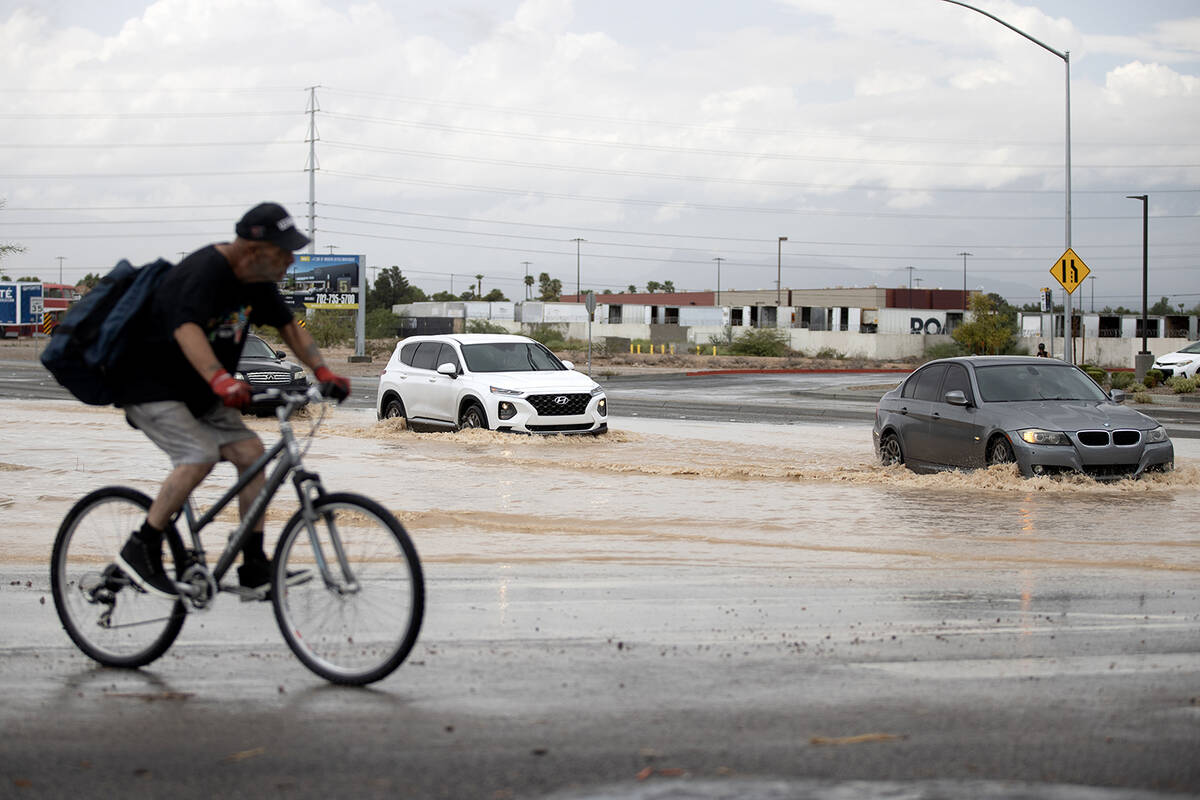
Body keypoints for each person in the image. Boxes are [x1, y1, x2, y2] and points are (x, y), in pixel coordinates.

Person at [110, 202, 351, 599]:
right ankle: (141, 548)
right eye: (284, 251)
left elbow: (288, 326)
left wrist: (322, 371)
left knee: (252, 452)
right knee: (199, 454)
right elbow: (186, 329)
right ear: (254, 249)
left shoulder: (257, 280)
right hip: (150, 387)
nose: (291, 260)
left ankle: (253, 566)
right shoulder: (206, 271)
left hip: (199, 394)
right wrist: (220, 378)